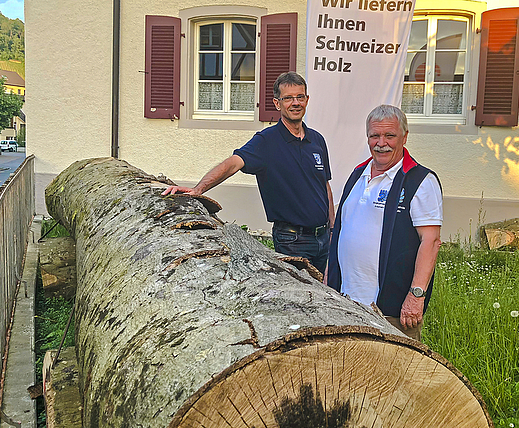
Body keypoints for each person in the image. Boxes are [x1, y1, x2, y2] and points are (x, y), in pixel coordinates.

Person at [162, 72, 334, 273]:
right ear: (277, 104)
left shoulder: (317, 140)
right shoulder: (266, 141)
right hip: (292, 240)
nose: (295, 103)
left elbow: (324, 186)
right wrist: (199, 189)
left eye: (300, 97)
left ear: (307, 100)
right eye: (288, 98)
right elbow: (233, 163)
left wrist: (332, 229)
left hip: (323, 238)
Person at [326, 105, 442, 340]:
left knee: (394, 374)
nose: (382, 143)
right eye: (375, 135)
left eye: (390, 135)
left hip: (391, 310)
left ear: (404, 137)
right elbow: (342, 230)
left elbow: (430, 241)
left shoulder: (420, 181)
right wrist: (329, 274)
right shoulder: (359, 173)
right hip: (347, 301)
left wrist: (416, 296)